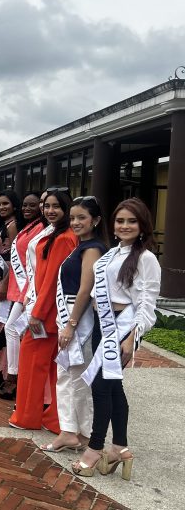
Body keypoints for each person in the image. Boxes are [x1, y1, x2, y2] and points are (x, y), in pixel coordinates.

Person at [73, 198, 161, 480]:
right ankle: (121, 448)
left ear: (143, 225)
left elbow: (147, 305)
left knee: (101, 387)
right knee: (113, 388)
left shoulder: (146, 258)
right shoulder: (112, 253)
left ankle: (95, 448)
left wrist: (131, 338)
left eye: (131, 221)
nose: (124, 226)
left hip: (122, 329)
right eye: (120, 220)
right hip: (103, 324)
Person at [42, 196, 107, 453]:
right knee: (70, 376)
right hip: (70, 313)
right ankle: (76, 431)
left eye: (82, 217)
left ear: (96, 220)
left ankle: (74, 431)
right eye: (73, 218)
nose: (76, 222)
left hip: (77, 317)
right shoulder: (80, 246)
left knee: (74, 377)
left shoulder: (92, 248)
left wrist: (70, 324)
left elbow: (85, 289)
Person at [9, 189, 77, 431]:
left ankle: (28, 417)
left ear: (66, 209)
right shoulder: (54, 233)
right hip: (44, 308)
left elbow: (51, 280)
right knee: (51, 369)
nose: (50, 210)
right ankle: (53, 419)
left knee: (33, 366)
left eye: (56, 206)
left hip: (47, 314)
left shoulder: (63, 238)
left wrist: (37, 312)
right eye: (46, 206)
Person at [0, 191, 45, 399]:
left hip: (30, 287)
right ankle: (15, 375)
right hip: (21, 286)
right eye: (25, 205)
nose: (27, 209)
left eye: (33, 205)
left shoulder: (41, 228)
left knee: (15, 329)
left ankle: (16, 376)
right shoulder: (27, 226)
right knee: (13, 329)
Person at [0, 190, 23, 388]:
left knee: (5, 326)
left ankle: (7, 374)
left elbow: (16, 258)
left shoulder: (14, 226)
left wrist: (5, 283)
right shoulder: (4, 224)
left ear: (14, 205)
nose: (2, 207)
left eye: (6, 204)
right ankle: (0, 370)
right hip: (2, 277)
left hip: (10, 281)